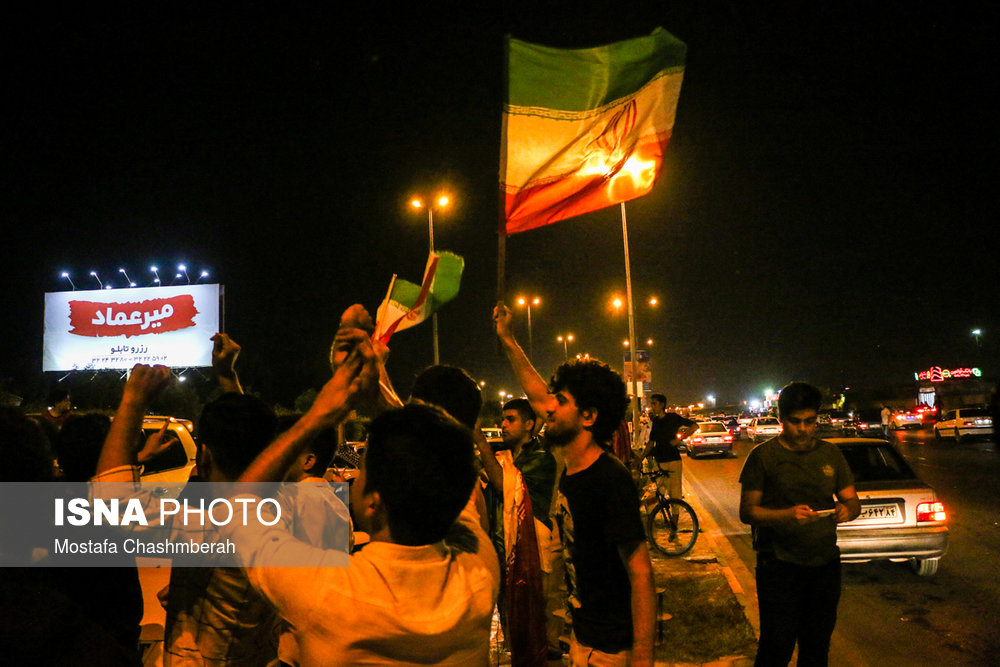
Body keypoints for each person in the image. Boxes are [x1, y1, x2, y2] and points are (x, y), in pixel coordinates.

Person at [218, 335, 500, 664]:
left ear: (373, 503)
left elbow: (237, 507)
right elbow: (442, 464)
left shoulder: (329, 591)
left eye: (362, 468)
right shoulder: (479, 572)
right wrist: (378, 396)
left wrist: (317, 416)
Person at [495, 304, 655, 667]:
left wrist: (643, 659)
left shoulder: (609, 479)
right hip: (583, 640)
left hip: (611, 650)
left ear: (588, 416)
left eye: (561, 402)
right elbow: (538, 396)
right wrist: (508, 339)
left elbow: (641, 572)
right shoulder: (571, 466)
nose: (547, 410)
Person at [94, 361, 282, 665]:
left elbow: (112, 500)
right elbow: (248, 439)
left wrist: (133, 400)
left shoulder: (219, 528)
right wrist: (228, 379)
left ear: (204, 457)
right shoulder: (285, 512)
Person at [739, 381, 861, 667]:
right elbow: (747, 512)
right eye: (795, 422)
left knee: (817, 646)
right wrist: (786, 515)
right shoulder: (763, 457)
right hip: (779, 567)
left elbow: (853, 501)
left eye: (810, 421)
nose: (803, 429)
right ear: (782, 419)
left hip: (825, 565)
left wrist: (847, 510)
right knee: (776, 645)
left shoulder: (830, 454)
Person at [639, 393, 697, 501]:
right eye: (651, 404)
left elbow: (694, 426)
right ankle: (658, 514)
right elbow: (651, 442)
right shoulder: (655, 421)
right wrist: (641, 457)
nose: (652, 406)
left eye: (654, 403)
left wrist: (679, 439)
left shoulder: (673, 417)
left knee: (675, 493)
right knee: (654, 492)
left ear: (662, 405)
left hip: (673, 461)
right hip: (660, 461)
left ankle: (674, 518)